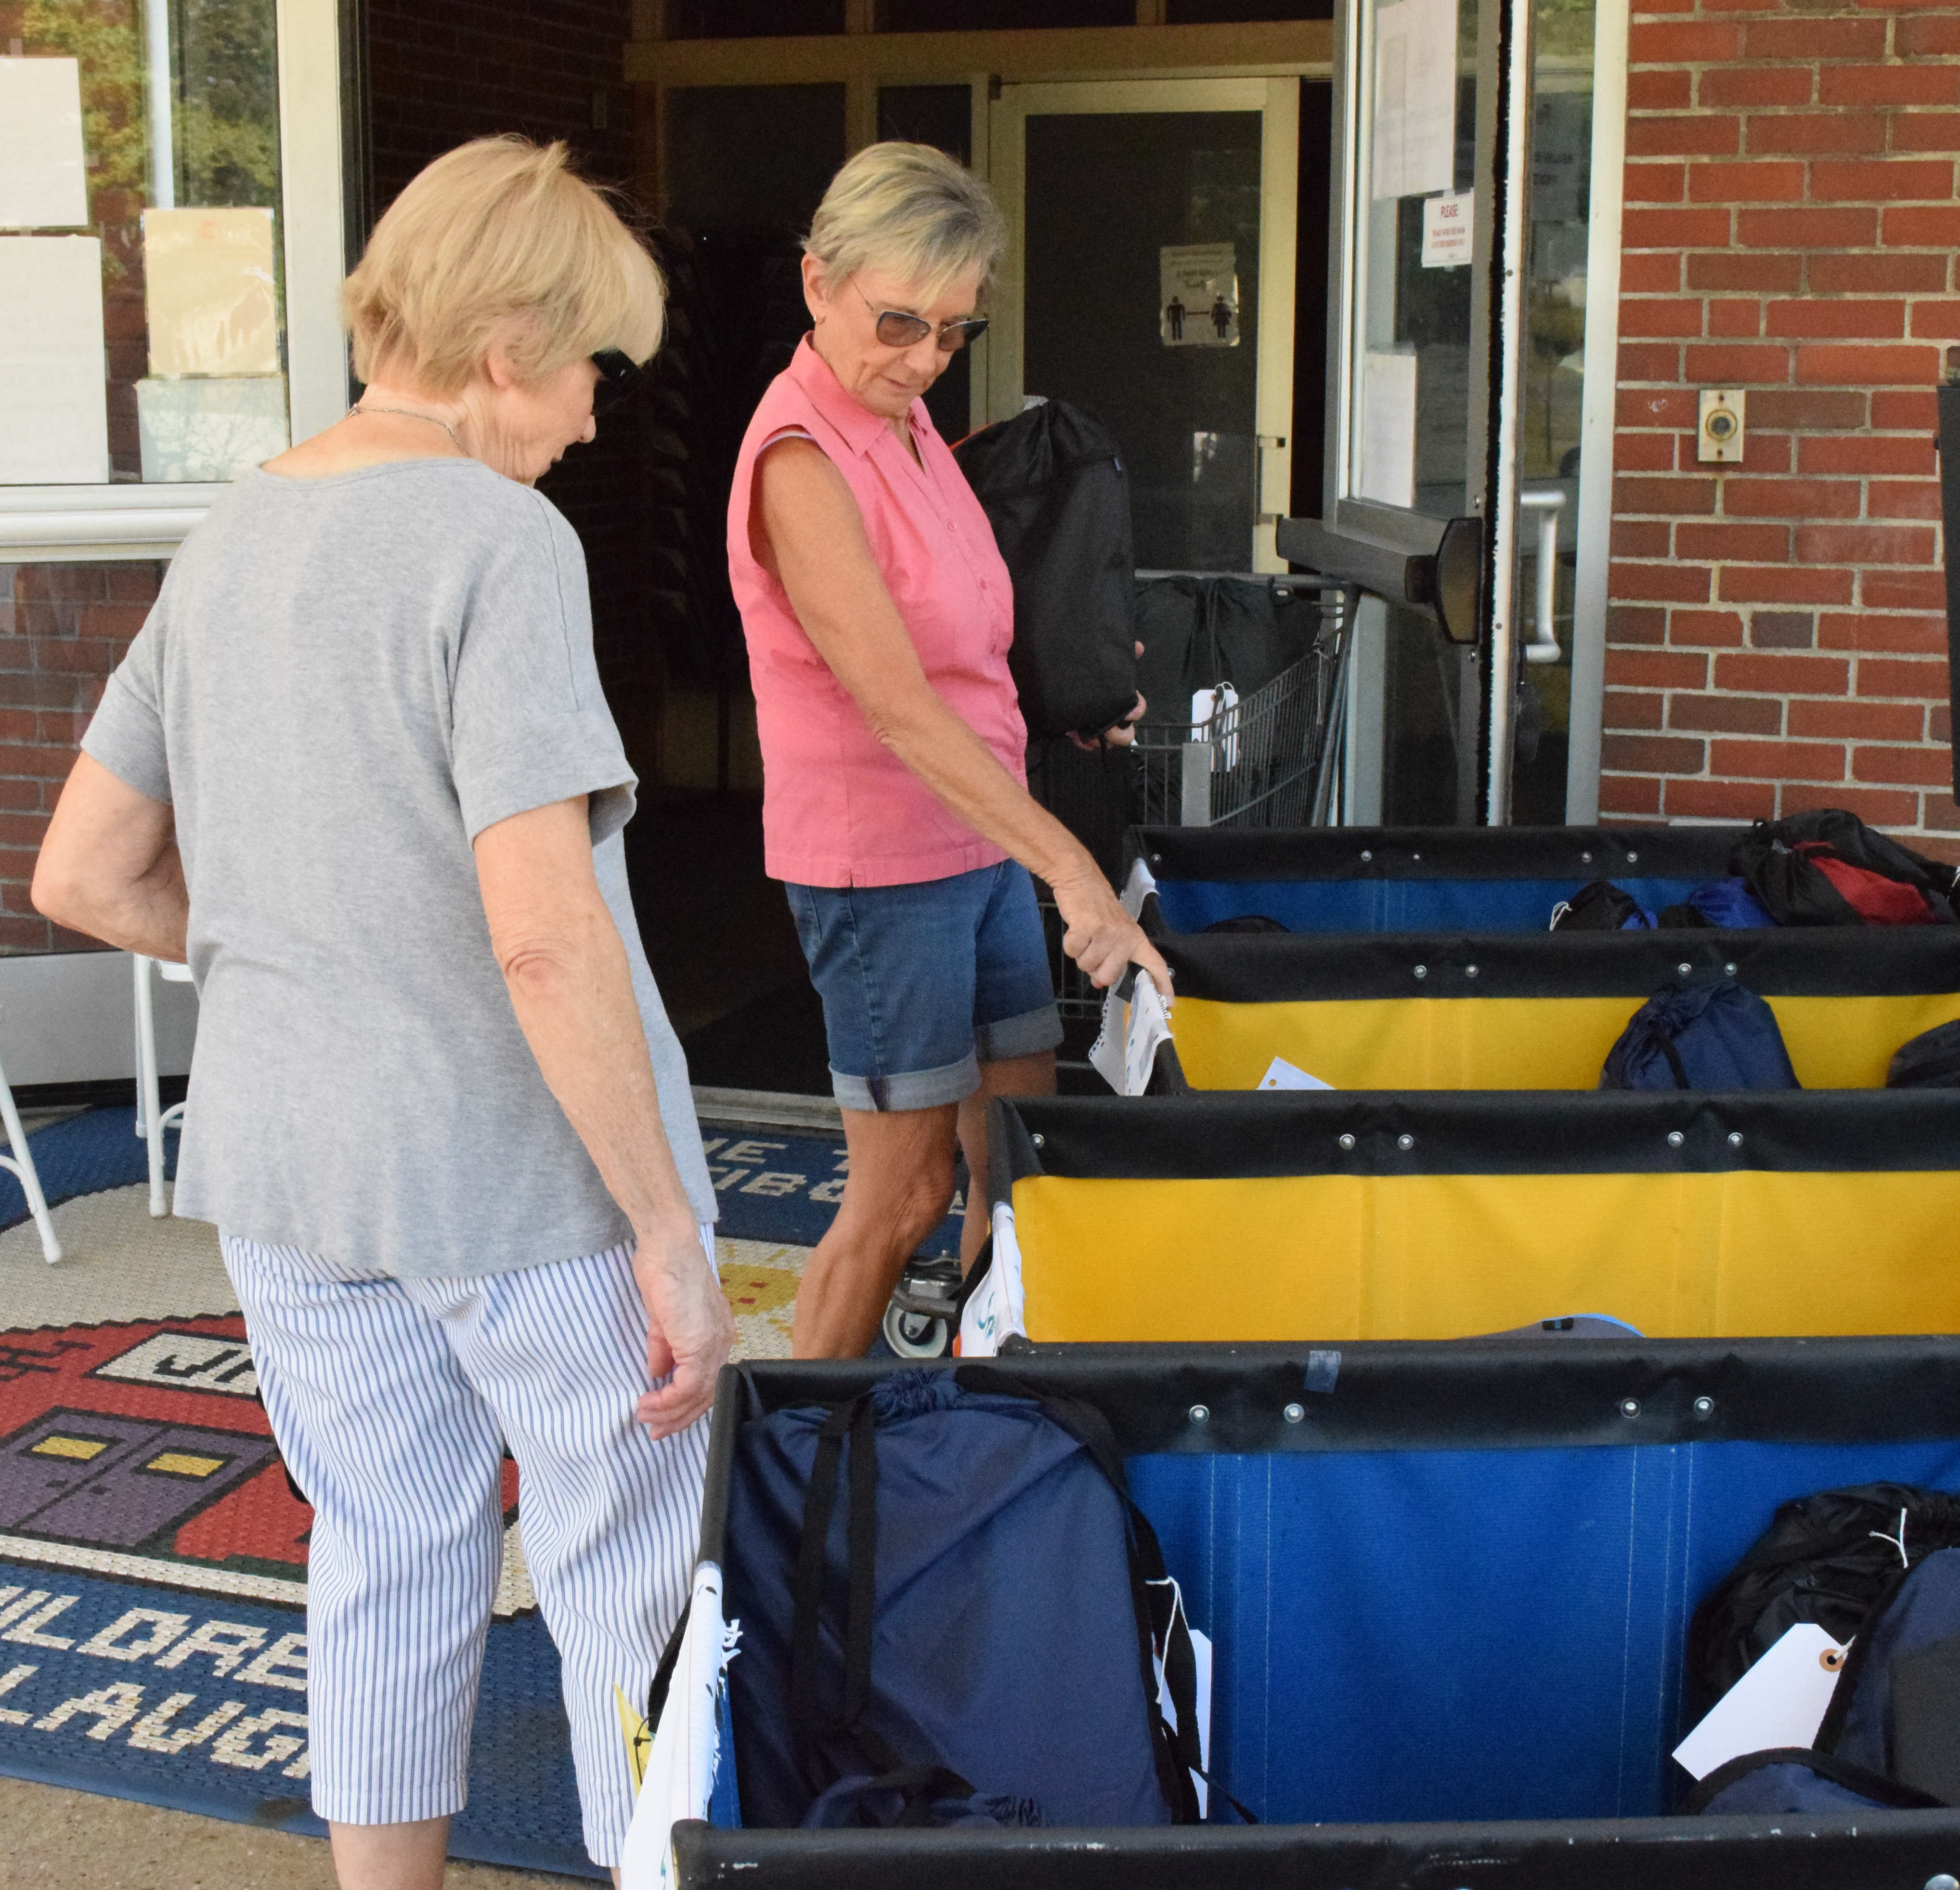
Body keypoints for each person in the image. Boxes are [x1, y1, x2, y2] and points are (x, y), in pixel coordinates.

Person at [32, 136, 732, 1890]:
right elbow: (547, 937)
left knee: (384, 1555)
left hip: (286, 1169)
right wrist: (668, 1230)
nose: (590, 416)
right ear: (506, 343)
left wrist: (304, 954)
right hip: (518, 1178)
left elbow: (85, 874)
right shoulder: (497, 541)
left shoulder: (232, 534)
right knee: (632, 1577)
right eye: (590, 369)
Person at [727, 142, 1170, 1360]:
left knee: (1014, 1165)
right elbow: (899, 707)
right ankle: (798, 1464)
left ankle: (978, 1425)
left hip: (975, 838)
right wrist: (1073, 870)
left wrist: (1073, 698)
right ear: (817, 283)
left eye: (953, 332)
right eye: (898, 322)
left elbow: (968, 632)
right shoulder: (801, 458)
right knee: (903, 1193)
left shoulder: (907, 421)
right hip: (880, 866)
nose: (924, 358)